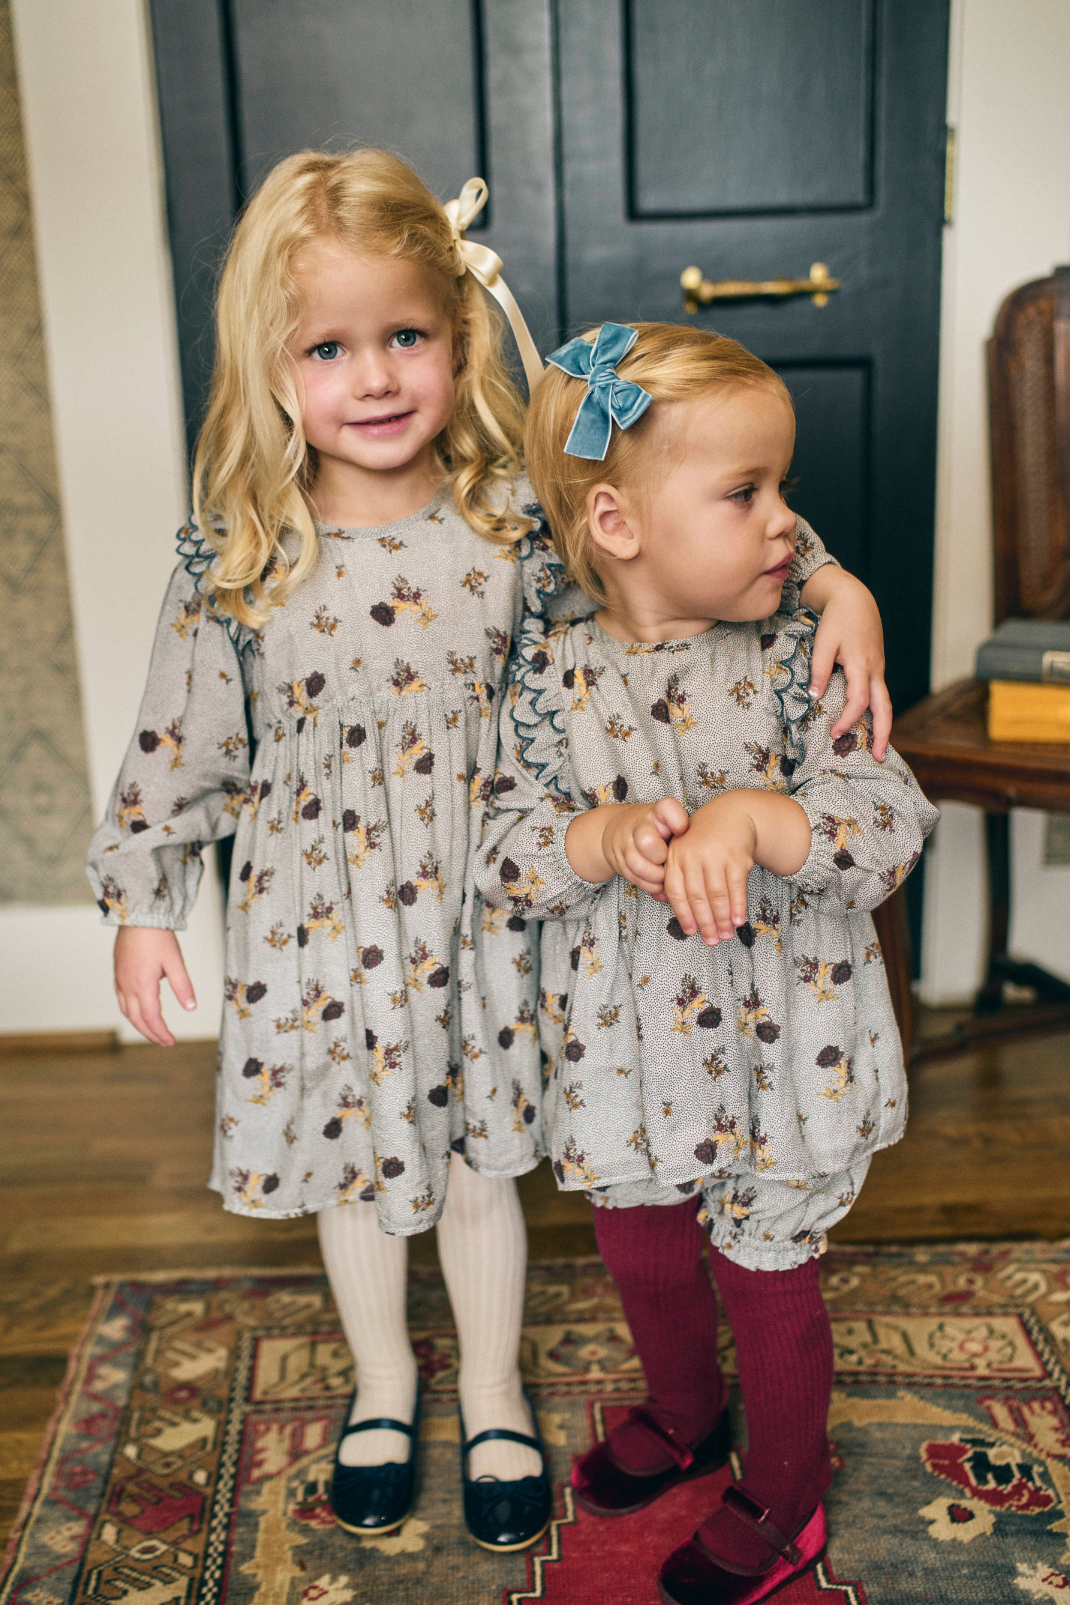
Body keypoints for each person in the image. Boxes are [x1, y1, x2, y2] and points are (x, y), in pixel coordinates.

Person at [85, 146, 887, 1557]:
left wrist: (833, 582)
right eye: (328, 348)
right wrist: (144, 905)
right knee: (355, 1158)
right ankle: (383, 1385)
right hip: (321, 927)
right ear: (270, 365)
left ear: (458, 337)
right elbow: (178, 740)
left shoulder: (514, 518)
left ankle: (496, 1393)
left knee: (474, 1158)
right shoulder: (239, 553)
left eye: (406, 335)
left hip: (496, 907)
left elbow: (679, 518)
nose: (375, 377)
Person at [475, 321, 938, 1603]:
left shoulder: (803, 652)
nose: (787, 522)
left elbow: (888, 824)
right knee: (637, 1237)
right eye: (746, 493)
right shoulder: (548, 674)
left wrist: (755, 818)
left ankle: (783, 1490)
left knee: (762, 1262)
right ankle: (685, 1411)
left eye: (781, 486)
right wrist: (598, 836)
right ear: (615, 522)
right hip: (628, 1046)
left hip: (790, 1040)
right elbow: (504, 852)